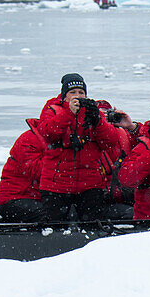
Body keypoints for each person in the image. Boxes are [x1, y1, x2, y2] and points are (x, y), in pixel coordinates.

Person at [37, 73, 130, 220]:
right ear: (64, 96)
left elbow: (110, 141)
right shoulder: (52, 110)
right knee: (54, 228)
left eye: (81, 92)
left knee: (91, 225)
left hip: (90, 184)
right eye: (72, 92)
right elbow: (48, 133)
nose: (77, 96)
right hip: (57, 185)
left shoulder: (94, 112)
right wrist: (68, 113)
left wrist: (97, 120)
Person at [0, 117, 48, 222]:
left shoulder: (60, 141)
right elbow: (38, 172)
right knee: (52, 215)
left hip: (36, 198)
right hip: (14, 200)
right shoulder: (29, 139)